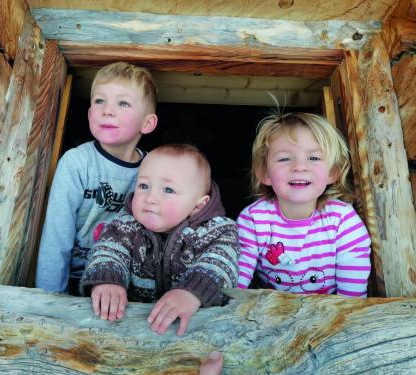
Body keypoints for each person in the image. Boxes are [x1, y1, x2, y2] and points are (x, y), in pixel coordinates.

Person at [81, 144, 240, 336]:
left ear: (198, 205)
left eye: (168, 190)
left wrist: (191, 293)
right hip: (130, 324)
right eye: (144, 186)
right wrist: (107, 280)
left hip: (193, 327)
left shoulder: (218, 231)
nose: (150, 198)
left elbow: (219, 265)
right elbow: (108, 251)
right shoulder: (125, 225)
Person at [36, 62, 158, 294]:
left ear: (147, 123)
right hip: (79, 279)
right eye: (99, 101)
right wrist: (50, 298)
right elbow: (56, 235)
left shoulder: (154, 167)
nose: (107, 110)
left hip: (132, 283)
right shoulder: (77, 163)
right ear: (90, 112)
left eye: (123, 103)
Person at [237, 112, 371, 297]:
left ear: (332, 172)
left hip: (329, 310)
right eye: (285, 159)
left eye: (314, 158)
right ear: (265, 173)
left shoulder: (343, 220)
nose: (300, 166)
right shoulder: (253, 219)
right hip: (268, 310)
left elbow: (352, 291)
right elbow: (238, 275)